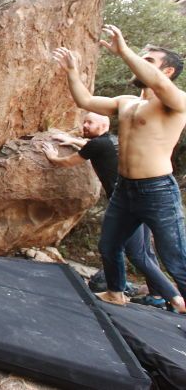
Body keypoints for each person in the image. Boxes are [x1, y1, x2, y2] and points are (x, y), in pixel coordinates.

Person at [52, 24, 186, 313]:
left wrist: (123, 50)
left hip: (157, 189)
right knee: (109, 245)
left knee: (175, 258)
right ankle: (115, 292)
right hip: (125, 190)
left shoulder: (176, 102)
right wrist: (72, 71)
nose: (140, 62)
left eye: (149, 60)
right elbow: (85, 101)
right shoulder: (127, 103)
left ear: (168, 72)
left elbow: (160, 87)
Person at [42, 112, 179, 309]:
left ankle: (175, 298)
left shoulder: (98, 145)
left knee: (137, 254)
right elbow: (93, 147)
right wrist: (71, 139)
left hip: (128, 205)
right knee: (145, 253)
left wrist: (52, 156)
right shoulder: (113, 141)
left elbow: (67, 162)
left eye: (90, 123)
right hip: (144, 201)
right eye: (85, 122)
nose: (85, 125)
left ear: (103, 125)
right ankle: (157, 295)